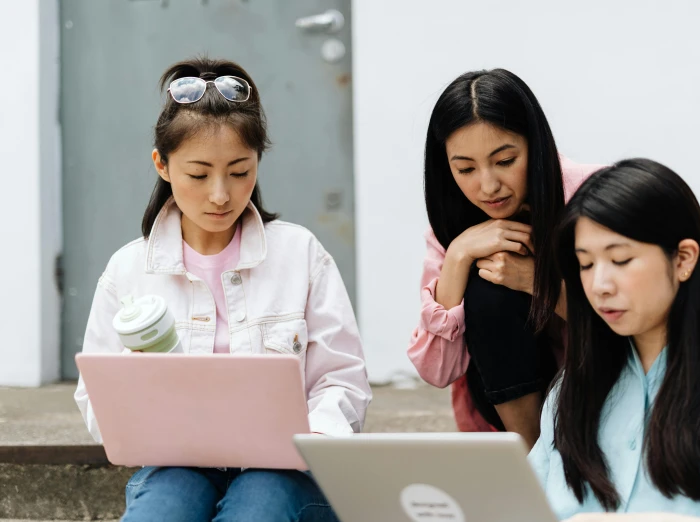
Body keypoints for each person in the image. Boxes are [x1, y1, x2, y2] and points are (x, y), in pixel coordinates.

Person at [74, 57, 371, 522]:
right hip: (177, 466)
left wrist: (312, 436)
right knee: (161, 512)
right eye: (198, 174)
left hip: (281, 470)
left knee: (258, 509)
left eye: (239, 172)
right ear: (163, 165)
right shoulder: (128, 270)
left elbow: (343, 380)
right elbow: (95, 399)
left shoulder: (300, 255)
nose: (220, 194)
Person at [531, 158, 700, 521]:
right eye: (585, 265)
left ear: (683, 259)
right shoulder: (571, 390)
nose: (599, 285)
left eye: (620, 260)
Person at [407, 68, 603, 446]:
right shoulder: (452, 231)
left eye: (505, 160)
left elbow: (635, 329)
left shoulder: (592, 197)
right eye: (465, 169)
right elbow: (438, 370)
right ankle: (532, 460)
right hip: (510, 405)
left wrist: (534, 282)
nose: (488, 186)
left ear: (536, 145)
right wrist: (459, 256)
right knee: (485, 286)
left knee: (496, 280)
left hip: (602, 384)